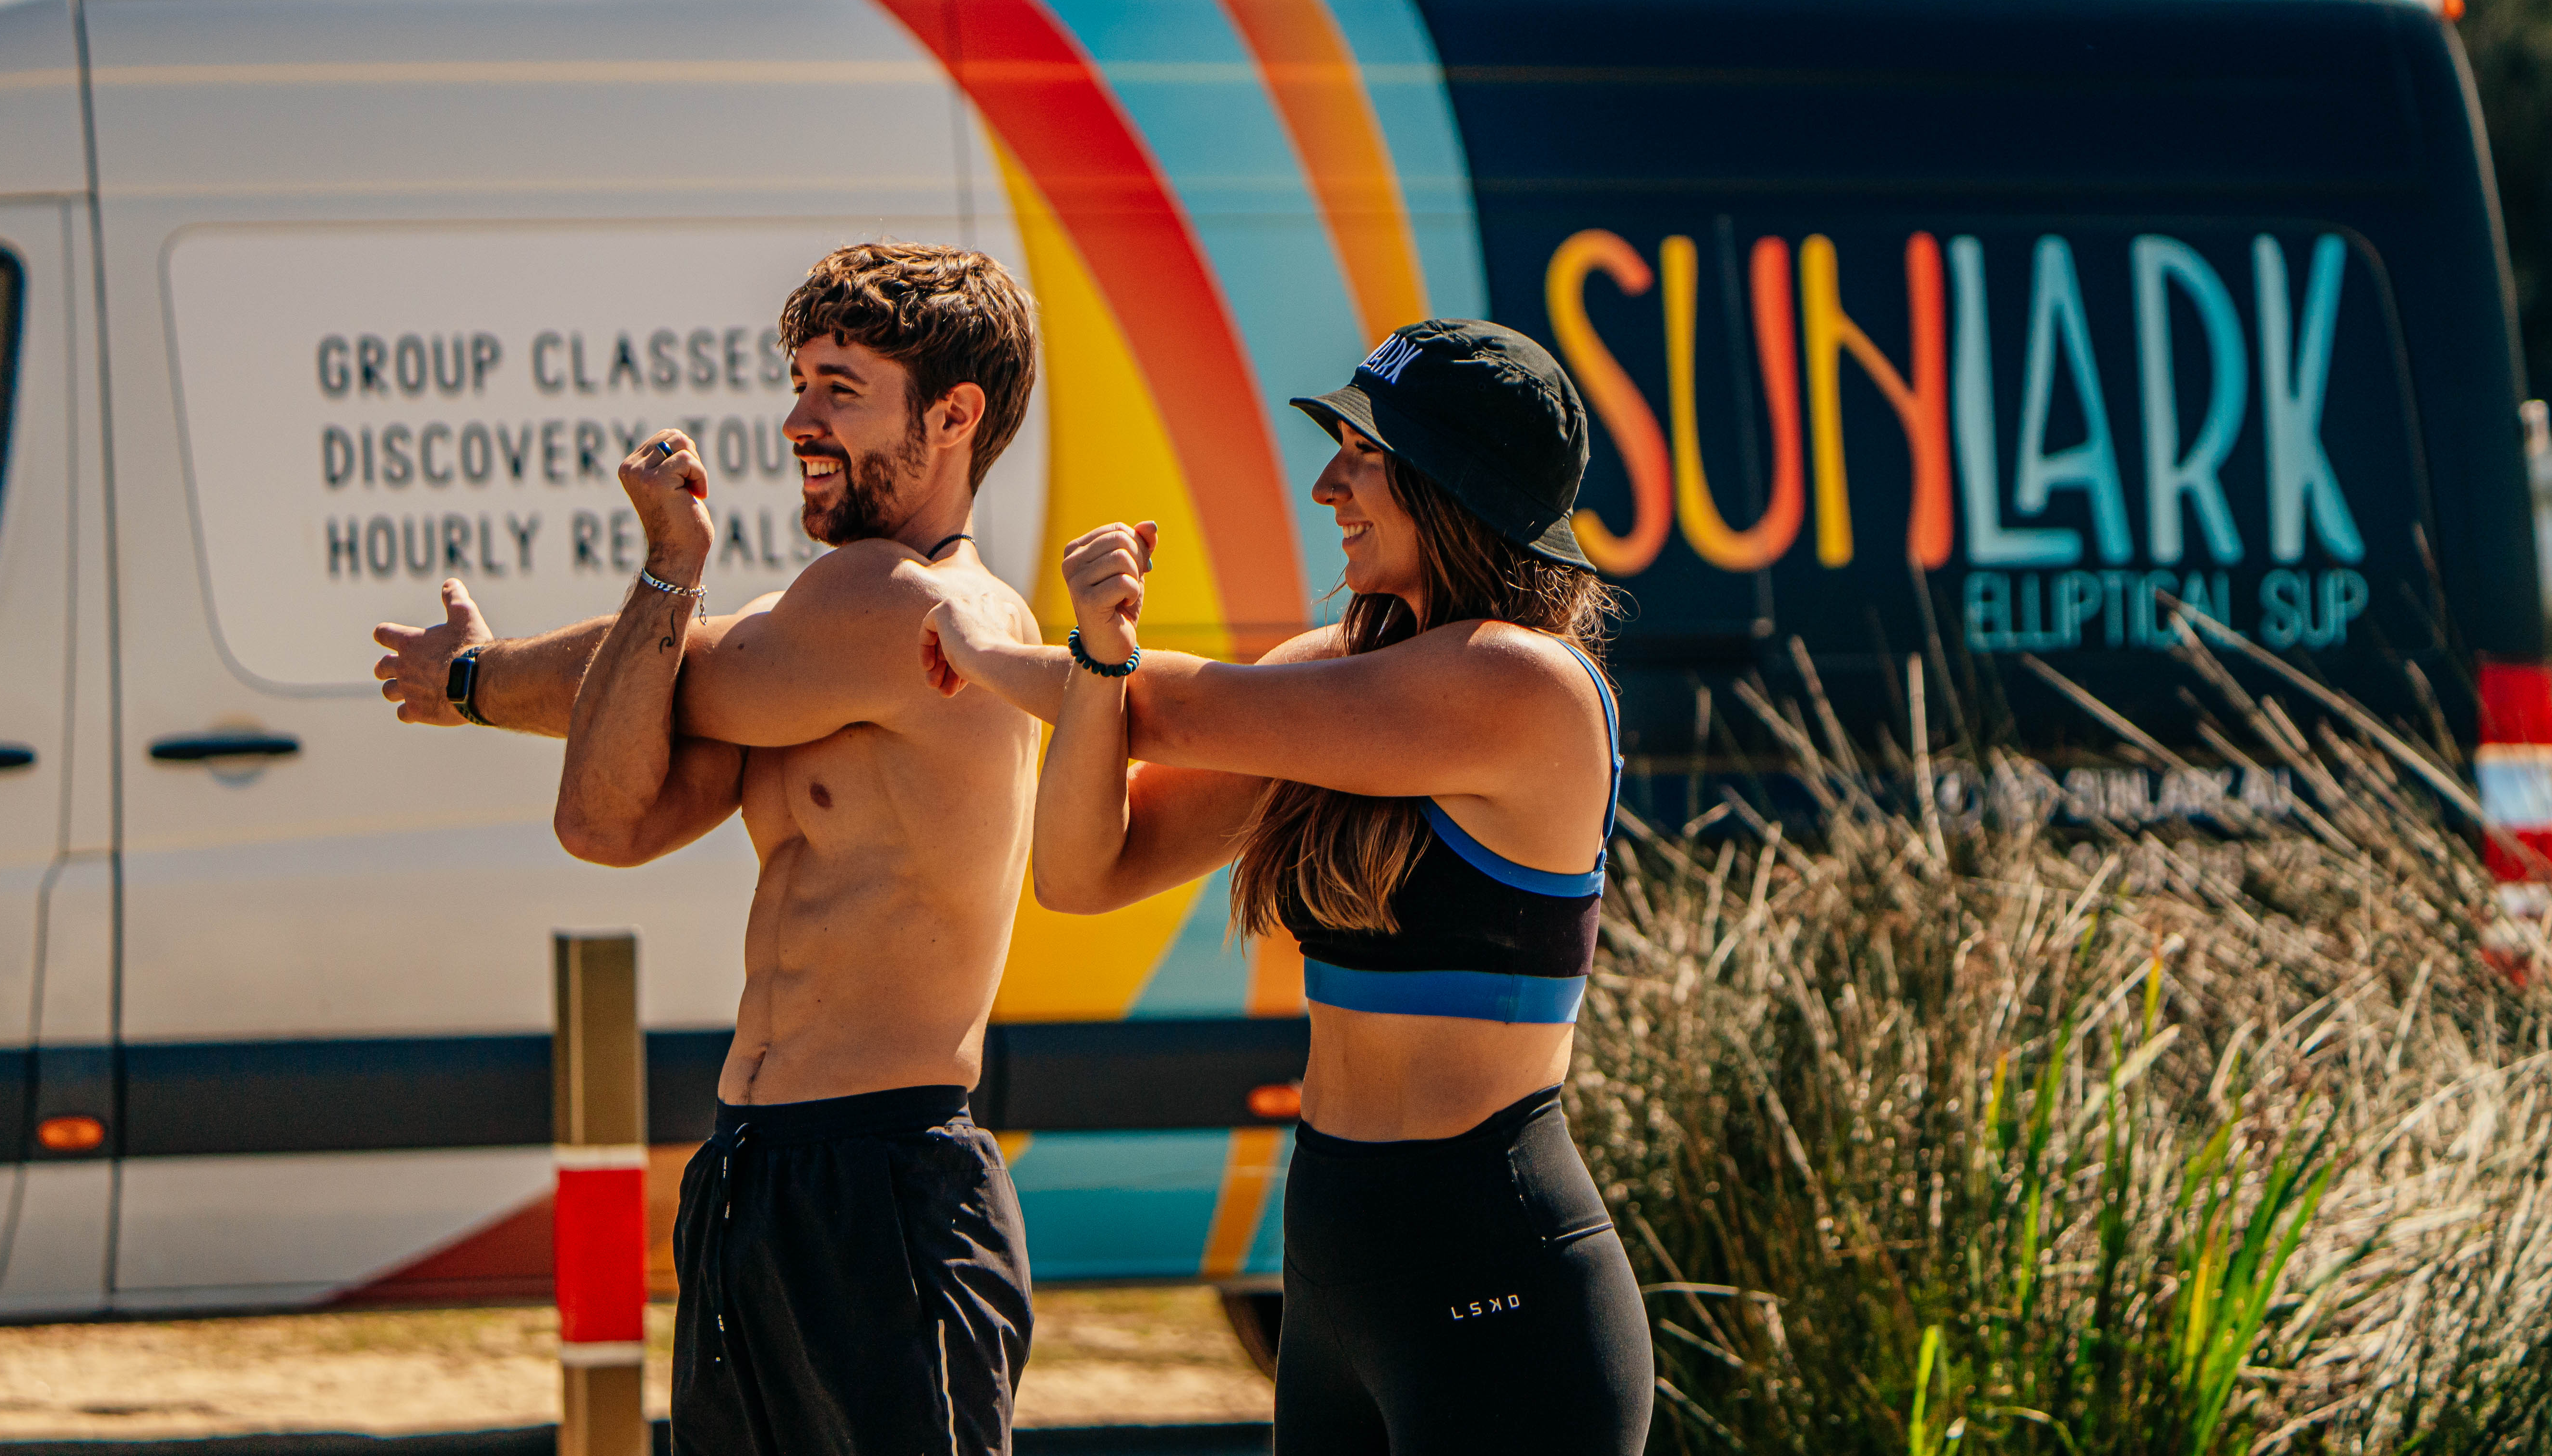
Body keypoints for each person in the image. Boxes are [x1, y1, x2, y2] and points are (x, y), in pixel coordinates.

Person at [922, 318, 1654, 1456]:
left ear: (1451, 484)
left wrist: (988, 647)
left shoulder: (1527, 685)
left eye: (1363, 455)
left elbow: (1175, 708)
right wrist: (1099, 657)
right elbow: (1084, 871)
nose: (1327, 487)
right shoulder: (1330, 674)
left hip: (1498, 1284)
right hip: (1335, 1270)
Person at [370, 243, 1043, 1456]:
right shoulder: (810, 629)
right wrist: (651, 588)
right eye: (800, 383)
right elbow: (605, 818)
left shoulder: (916, 607)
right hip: (757, 1169)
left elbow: (675, 668)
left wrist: (478, 677)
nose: (797, 422)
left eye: (841, 388)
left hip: (886, 1182)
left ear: (953, 416)